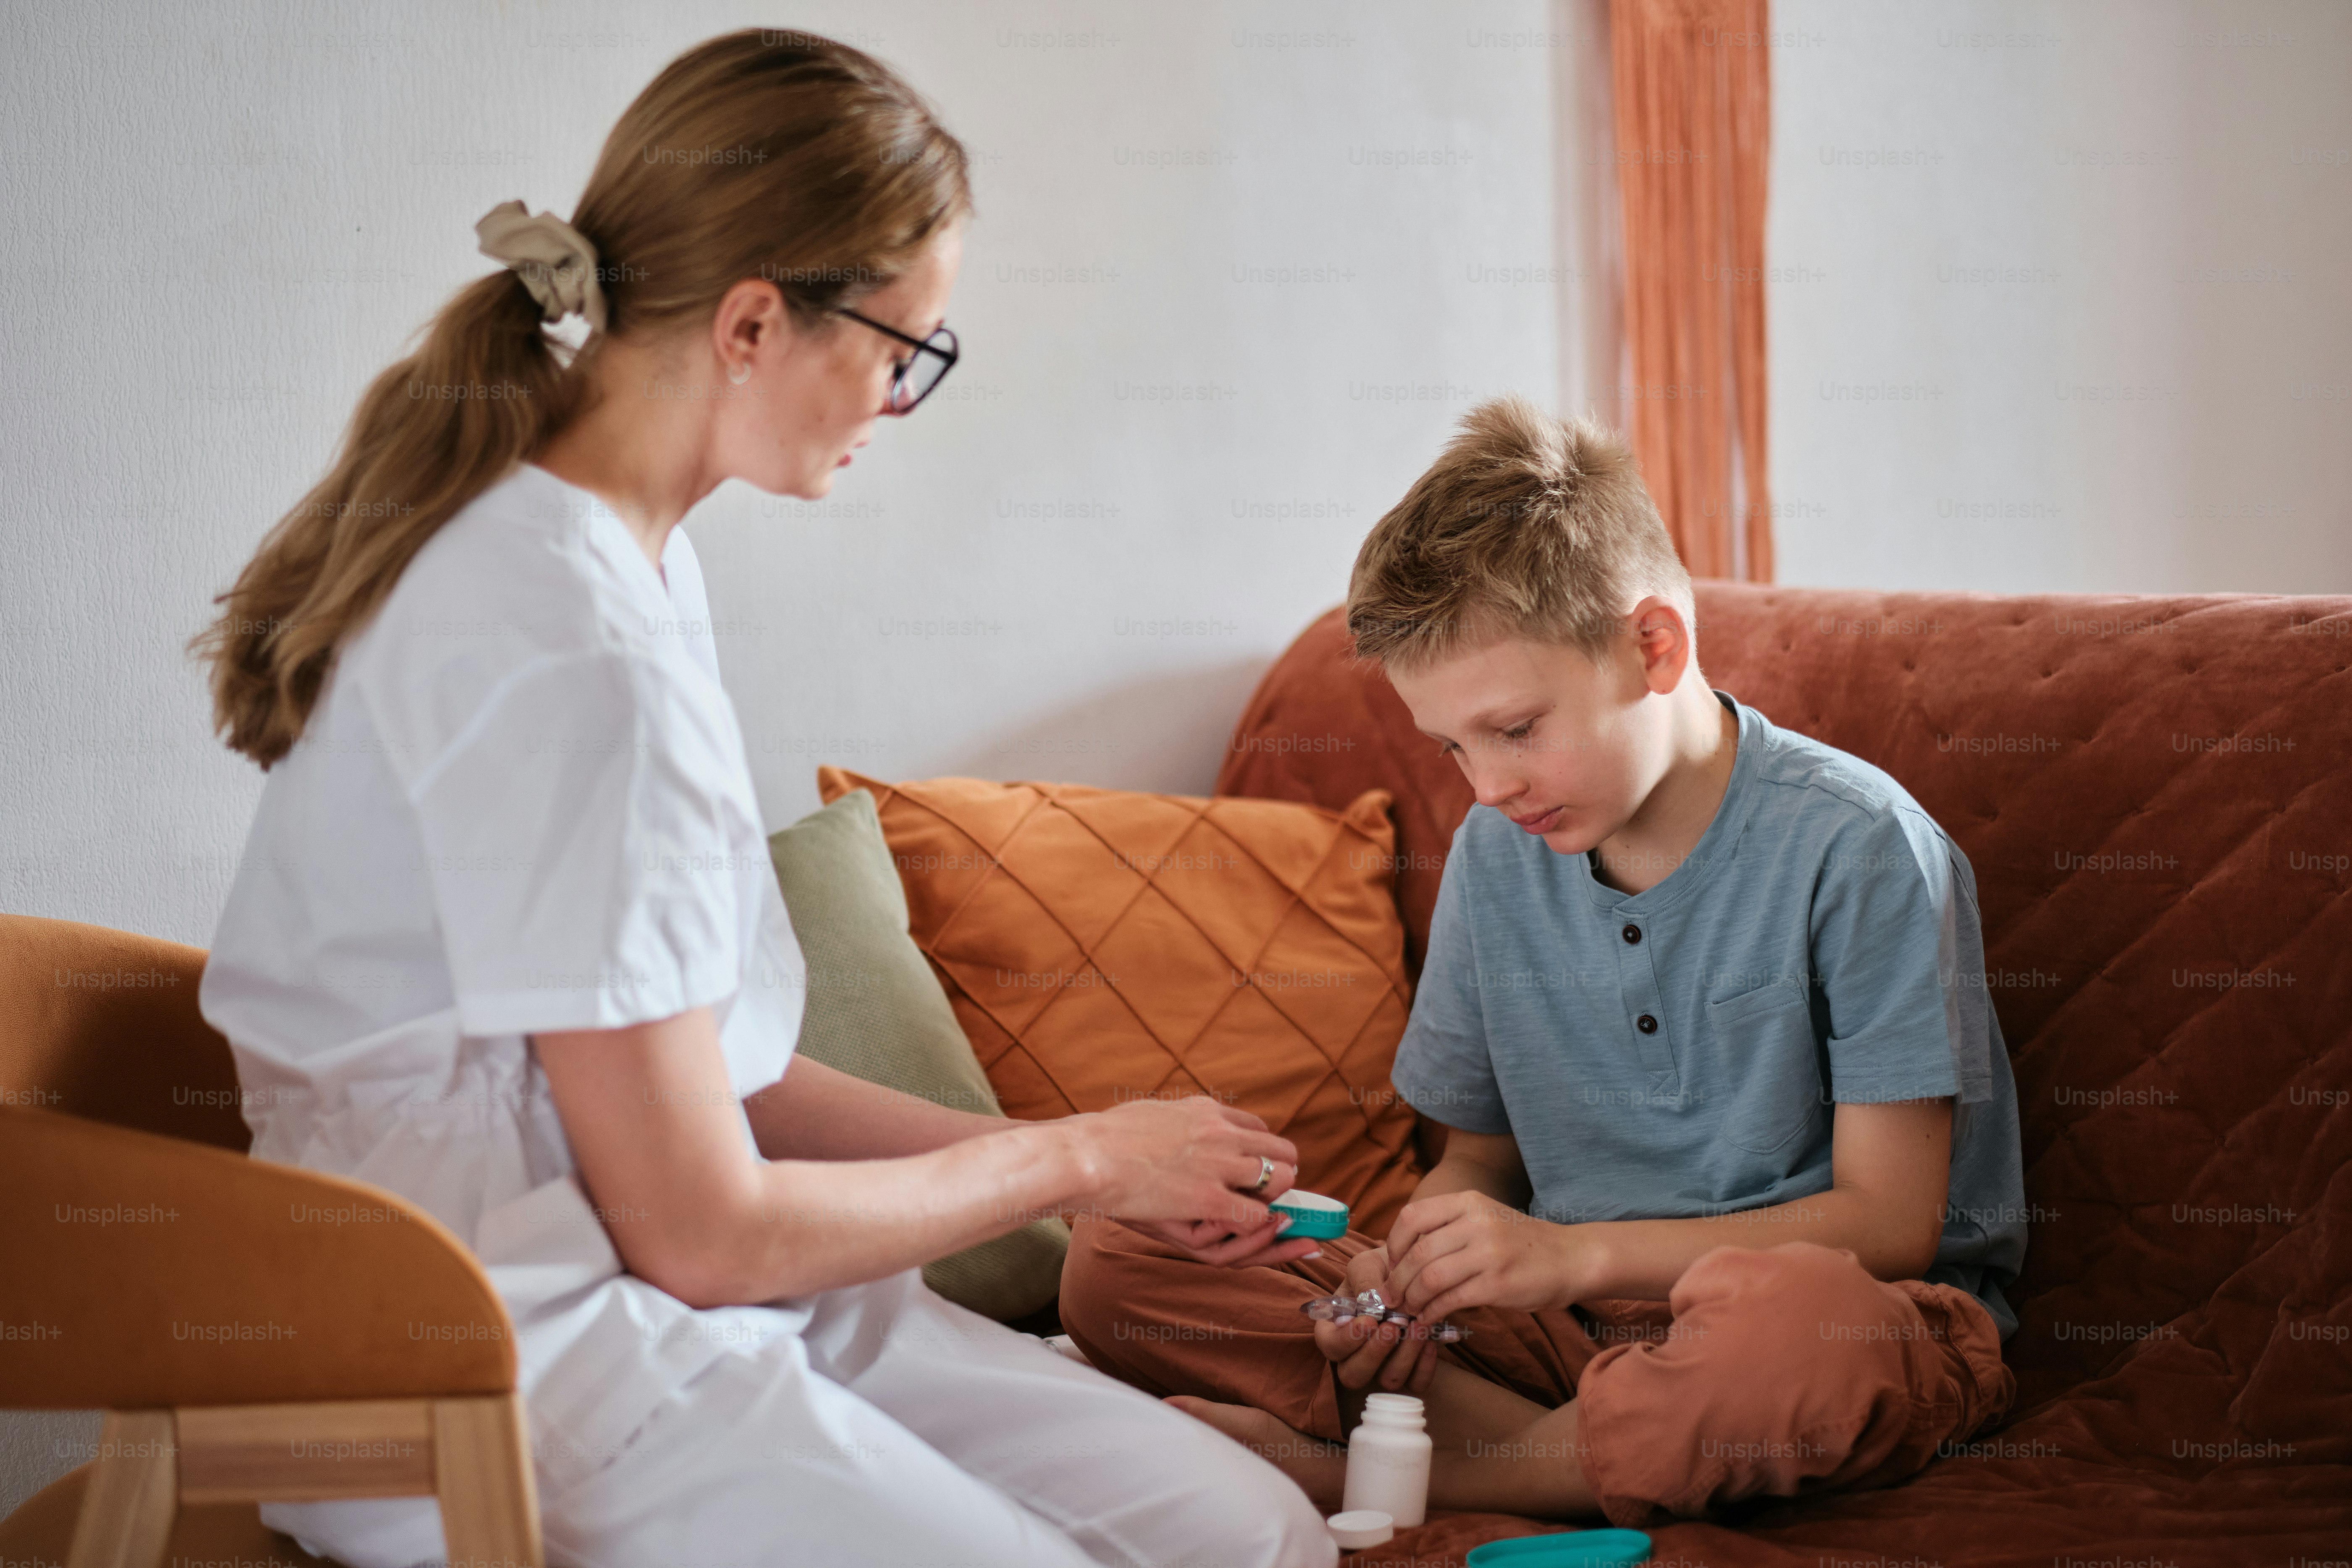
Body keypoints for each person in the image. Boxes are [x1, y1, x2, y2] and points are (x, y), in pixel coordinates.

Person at [192, 30, 1335, 1568]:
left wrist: (1106, 1163)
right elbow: (706, 1226)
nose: (900, 399)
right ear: (752, 324)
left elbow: (707, 1075)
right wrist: (1079, 1161)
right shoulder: (566, 638)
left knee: (1248, 1528)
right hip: (491, 1336)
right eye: (901, 350)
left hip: (636, 1274)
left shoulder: (629, 565)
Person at [1058, 397, 2029, 1527]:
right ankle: (1563, 1453)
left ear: (1652, 647)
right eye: (1452, 747)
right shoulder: (1497, 851)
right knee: (1119, 1256)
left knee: (1794, 1332)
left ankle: (1400, 1469)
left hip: (1842, 1320)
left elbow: (1890, 1224)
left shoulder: (1859, 846)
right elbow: (1479, 1165)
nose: (1488, 785)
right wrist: (1415, 1281)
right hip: (1560, 1334)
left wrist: (1572, 1259)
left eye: (1516, 730)